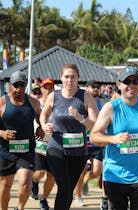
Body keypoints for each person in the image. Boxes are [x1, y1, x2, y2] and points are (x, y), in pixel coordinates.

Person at [90, 67, 138, 210]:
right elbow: (94, 136)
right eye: (127, 82)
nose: (131, 85)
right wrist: (113, 139)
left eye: (135, 81)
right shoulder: (111, 108)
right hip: (115, 175)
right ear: (119, 85)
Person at [39, 63, 98, 210]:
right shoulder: (54, 96)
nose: (69, 80)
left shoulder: (85, 96)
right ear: (61, 78)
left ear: (78, 78)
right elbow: (43, 114)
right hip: (56, 147)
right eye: (66, 77)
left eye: (73, 77)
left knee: (68, 190)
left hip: (78, 151)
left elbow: (96, 125)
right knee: (64, 185)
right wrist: (44, 125)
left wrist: (81, 118)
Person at [0, 71, 43, 210]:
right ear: (9, 85)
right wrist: (2, 133)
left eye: (22, 85)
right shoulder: (2, 102)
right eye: (16, 85)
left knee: (25, 183)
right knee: (5, 185)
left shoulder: (33, 102)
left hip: (26, 150)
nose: (19, 89)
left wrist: (41, 127)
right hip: (5, 151)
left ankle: (20, 208)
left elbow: (41, 118)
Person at [73, 80, 105, 207]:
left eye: (98, 87)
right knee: (80, 171)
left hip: (97, 141)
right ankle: (78, 196)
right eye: (93, 87)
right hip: (83, 141)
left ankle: (87, 179)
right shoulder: (81, 102)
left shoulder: (103, 103)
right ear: (87, 88)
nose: (96, 89)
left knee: (97, 171)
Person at [30, 78, 55, 210]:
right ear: (41, 89)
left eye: (51, 87)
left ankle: (44, 199)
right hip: (39, 142)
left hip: (54, 144)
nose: (48, 89)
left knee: (52, 176)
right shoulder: (36, 104)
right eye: (46, 87)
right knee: (39, 173)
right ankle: (33, 181)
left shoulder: (58, 104)